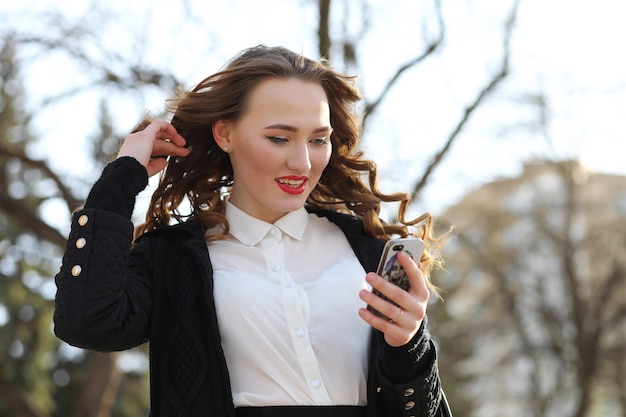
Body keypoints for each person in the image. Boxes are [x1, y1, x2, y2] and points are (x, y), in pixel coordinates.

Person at [54, 45, 452, 417]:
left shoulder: (368, 249)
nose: (302, 162)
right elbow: (89, 321)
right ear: (225, 134)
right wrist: (123, 177)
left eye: (318, 140)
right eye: (279, 138)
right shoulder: (173, 258)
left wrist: (409, 342)